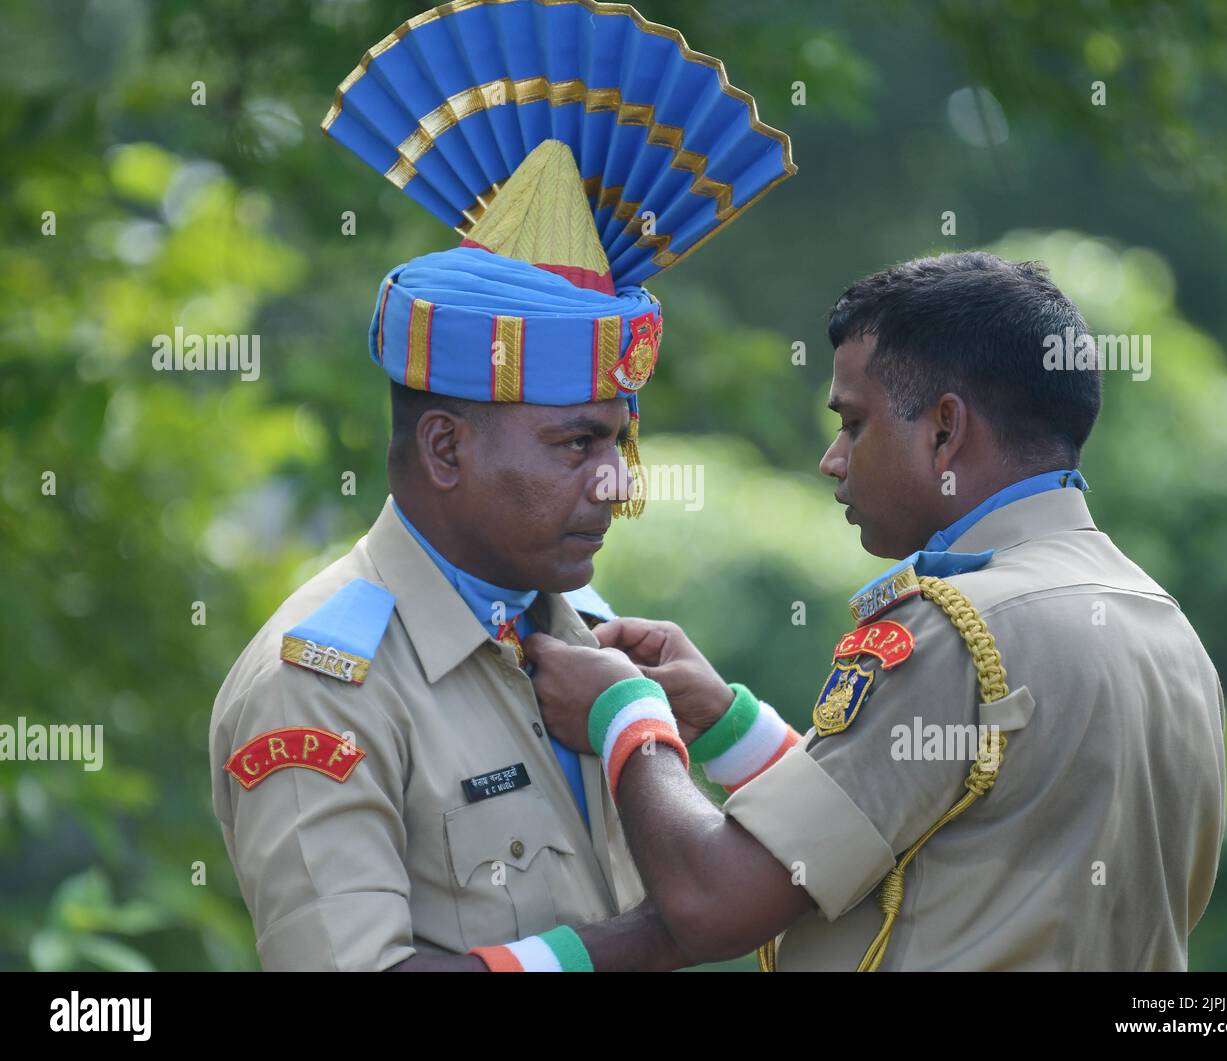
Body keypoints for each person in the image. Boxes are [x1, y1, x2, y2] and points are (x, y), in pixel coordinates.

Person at [207, 0, 794, 972]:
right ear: (445, 449)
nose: (615, 485)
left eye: (618, 442)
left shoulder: (581, 633)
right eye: (575, 445)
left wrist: (702, 721)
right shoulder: (319, 683)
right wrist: (655, 938)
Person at [464, 251, 1227, 972]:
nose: (833, 458)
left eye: (854, 422)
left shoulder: (957, 626)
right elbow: (919, 833)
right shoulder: (1161, 624)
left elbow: (716, 901)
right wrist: (728, 723)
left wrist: (624, 713)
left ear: (945, 429)